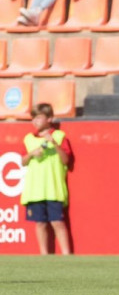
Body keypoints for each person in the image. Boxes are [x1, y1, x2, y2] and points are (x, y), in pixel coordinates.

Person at [20, 103, 73, 255]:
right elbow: (22, 161)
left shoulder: (59, 136)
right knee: (40, 223)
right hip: (35, 190)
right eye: (33, 118)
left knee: (57, 222)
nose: (34, 122)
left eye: (38, 118)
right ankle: (43, 255)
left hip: (53, 188)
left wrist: (54, 143)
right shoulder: (29, 139)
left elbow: (66, 160)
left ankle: (66, 254)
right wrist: (31, 154)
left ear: (49, 118)